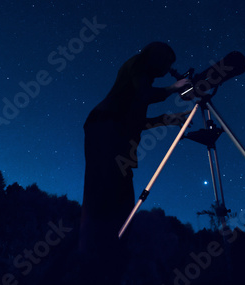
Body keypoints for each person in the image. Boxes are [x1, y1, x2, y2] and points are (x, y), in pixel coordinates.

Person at [78, 42, 190, 284]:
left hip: (111, 134)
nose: (169, 69)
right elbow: (143, 97)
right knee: (105, 195)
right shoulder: (139, 66)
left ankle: (107, 257)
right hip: (106, 133)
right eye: (168, 63)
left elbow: (137, 120)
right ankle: (93, 261)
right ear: (158, 57)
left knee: (117, 198)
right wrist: (173, 88)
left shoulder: (140, 81)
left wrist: (168, 119)